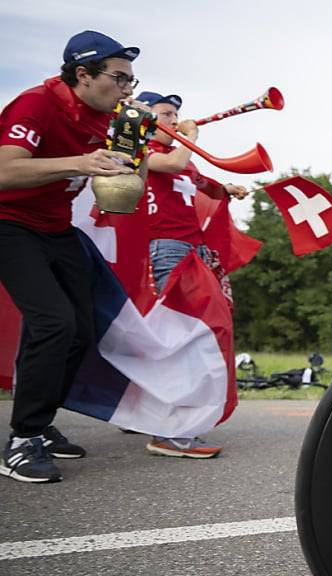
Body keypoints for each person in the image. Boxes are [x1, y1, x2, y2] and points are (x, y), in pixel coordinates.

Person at [0, 31, 142, 483]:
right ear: (83, 73)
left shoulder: (108, 117)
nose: (126, 90)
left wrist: (132, 149)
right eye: (119, 79)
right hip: (10, 224)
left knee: (82, 330)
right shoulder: (36, 103)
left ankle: (39, 425)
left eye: (131, 82)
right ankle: (22, 440)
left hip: (57, 229)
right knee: (53, 322)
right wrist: (79, 161)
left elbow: (121, 175)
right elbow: (4, 170)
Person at [135, 90, 249, 458]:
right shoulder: (140, 148)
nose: (174, 120)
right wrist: (191, 138)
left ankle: (166, 420)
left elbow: (199, 184)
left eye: (176, 115)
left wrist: (226, 188)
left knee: (202, 333)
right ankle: (166, 432)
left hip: (192, 250)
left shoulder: (183, 159)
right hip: (166, 248)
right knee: (179, 336)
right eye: (166, 114)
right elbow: (169, 168)